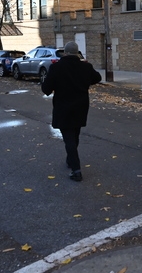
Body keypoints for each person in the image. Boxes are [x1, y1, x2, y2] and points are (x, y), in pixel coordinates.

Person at [41, 41, 102, 181]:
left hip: (63, 107)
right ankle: (70, 160)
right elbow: (97, 78)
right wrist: (84, 82)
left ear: (65, 52)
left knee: (69, 138)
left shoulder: (56, 67)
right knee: (75, 135)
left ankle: (76, 170)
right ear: (77, 52)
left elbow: (46, 89)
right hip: (81, 106)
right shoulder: (86, 66)